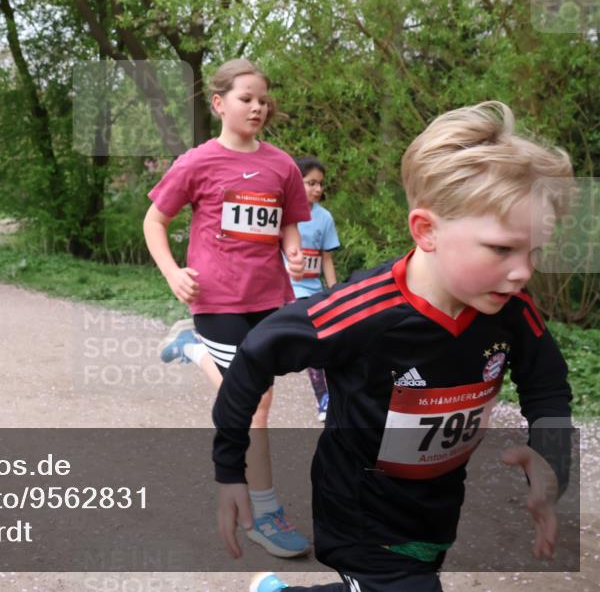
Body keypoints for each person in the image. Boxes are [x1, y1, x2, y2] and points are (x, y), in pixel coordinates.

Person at [215, 101, 574, 592]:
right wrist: (229, 469)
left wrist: (551, 465)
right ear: (426, 230)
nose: (523, 272)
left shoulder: (510, 308)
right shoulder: (363, 311)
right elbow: (257, 351)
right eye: (502, 249)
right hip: (357, 508)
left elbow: (547, 382)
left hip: (435, 510)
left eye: (534, 252)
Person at [143, 58, 312, 558]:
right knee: (254, 404)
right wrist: (174, 273)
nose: (258, 107)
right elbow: (154, 221)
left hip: (270, 298)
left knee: (255, 399)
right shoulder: (197, 162)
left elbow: (288, 221)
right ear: (219, 103)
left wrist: (294, 250)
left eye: (263, 100)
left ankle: (189, 349)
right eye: (246, 98)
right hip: (216, 298)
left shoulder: (282, 165)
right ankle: (266, 514)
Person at [290, 156, 341, 421]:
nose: (318, 189)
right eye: (311, 183)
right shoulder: (283, 212)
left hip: (311, 292)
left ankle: (324, 398)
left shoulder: (325, 218)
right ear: (296, 182)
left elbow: (326, 260)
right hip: (283, 292)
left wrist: (335, 294)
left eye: (320, 184)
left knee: (318, 344)